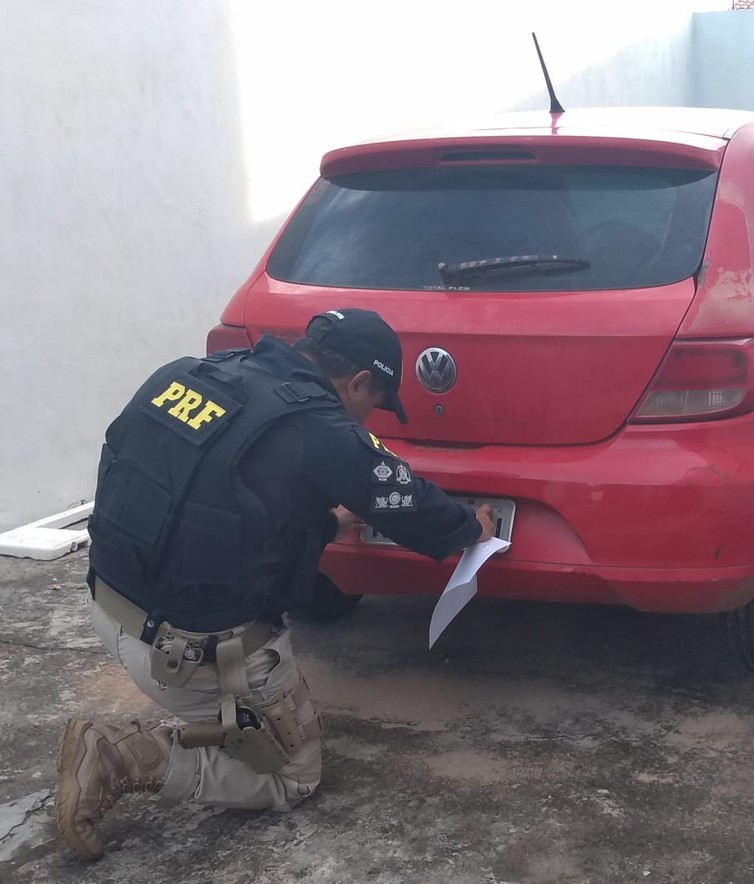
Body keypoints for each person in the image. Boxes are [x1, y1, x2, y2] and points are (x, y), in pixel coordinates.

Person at [56, 308, 495, 861]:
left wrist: (323, 525)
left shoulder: (194, 373)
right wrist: (468, 528)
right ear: (358, 380)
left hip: (109, 605)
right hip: (186, 654)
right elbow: (405, 499)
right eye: (375, 403)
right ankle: (126, 757)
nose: (369, 419)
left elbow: (205, 499)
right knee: (293, 775)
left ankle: (215, 717)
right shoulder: (318, 424)